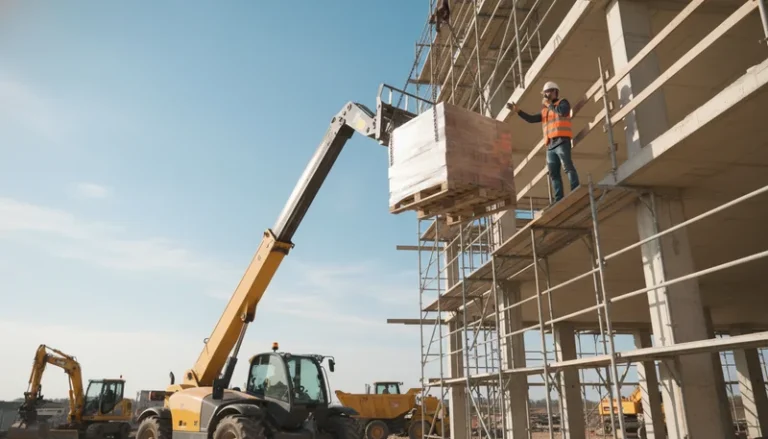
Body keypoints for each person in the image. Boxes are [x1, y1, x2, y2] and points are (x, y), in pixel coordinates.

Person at [507, 81, 579, 202]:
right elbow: (531, 119)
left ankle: (575, 189)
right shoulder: (545, 111)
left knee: (568, 166)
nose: (546, 95)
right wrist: (518, 111)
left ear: (555, 91)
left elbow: (562, 112)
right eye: (545, 93)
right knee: (553, 173)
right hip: (550, 145)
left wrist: (548, 104)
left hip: (561, 141)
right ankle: (558, 198)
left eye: (548, 92)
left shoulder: (563, 103)